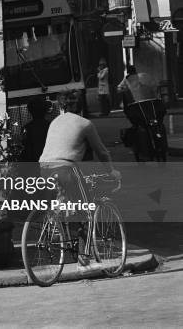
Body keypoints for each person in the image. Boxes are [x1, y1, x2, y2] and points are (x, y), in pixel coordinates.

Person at [39, 90, 121, 268]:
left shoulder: (55, 121)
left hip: (44, 168)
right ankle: (84, 262)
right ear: (82, 108)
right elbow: (101, 152)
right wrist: (112, 171)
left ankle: (56, 228)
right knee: (86, 213)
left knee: (62, 204)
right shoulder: (86, 124)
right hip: (65, 168)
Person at [21, 96, 51, 163]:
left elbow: (25, 147)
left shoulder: (26, 128)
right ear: (45, 110)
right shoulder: (52, 126)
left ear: (30, 111)